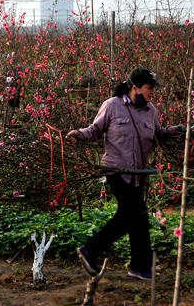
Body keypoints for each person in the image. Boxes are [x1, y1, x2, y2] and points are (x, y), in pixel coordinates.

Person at [66, 67, 183, 280]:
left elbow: (158, 133)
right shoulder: (111, 106)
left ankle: (139, 267)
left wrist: (174, 130)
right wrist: (80, 134)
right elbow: (95, 130)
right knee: (132, 214)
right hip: (116, 170)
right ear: (135, 87)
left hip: (138, 174)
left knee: (138, 218)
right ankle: (91, 250)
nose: (152, 92)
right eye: (149, 88)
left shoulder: (151, 110)